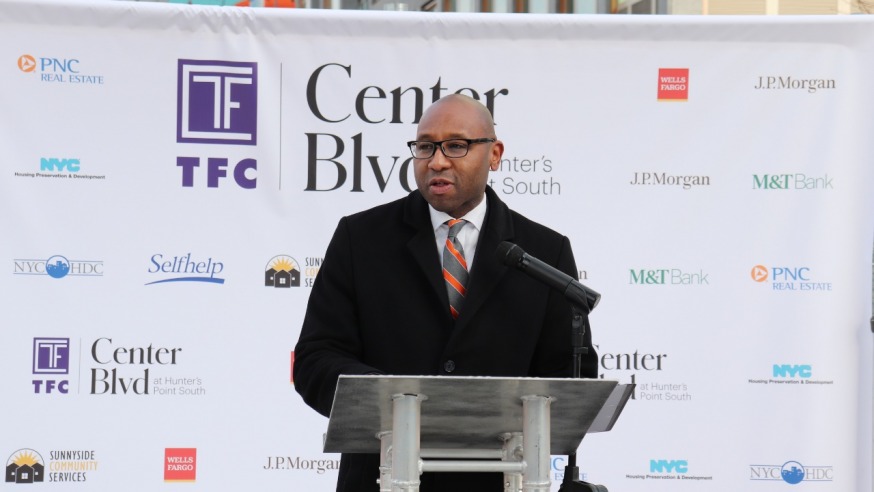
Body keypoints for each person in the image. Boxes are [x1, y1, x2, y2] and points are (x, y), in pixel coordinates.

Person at [293, 94, 598, 492]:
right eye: (425, 146)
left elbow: (569, 377)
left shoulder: (543, 250)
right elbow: (316, 359)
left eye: (456, 145)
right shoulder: (361, 238)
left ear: (494, 154)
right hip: (382, 478)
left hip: (501, 482)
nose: (436, 161)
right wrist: (395, 400)